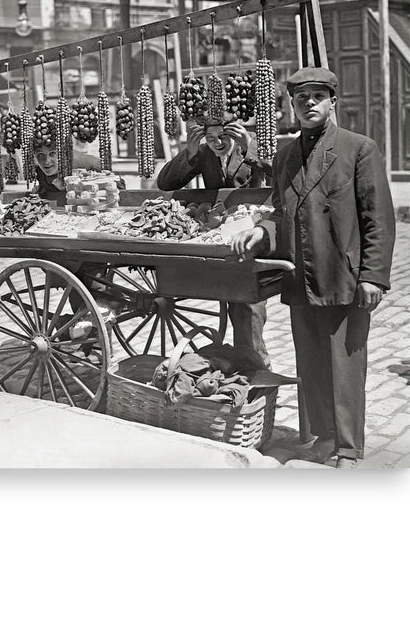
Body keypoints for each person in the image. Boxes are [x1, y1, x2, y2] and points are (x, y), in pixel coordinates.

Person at [232, 67, 395, 468]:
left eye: (317, 96)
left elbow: (379, 218)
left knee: (345, 364)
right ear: (293, 104)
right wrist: (261, 232)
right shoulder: (286, 153)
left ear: (332, 101)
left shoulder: (360, 149)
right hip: (299, 276)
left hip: (344, 276)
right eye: (301, 98)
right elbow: (279, 210)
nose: (309, 104)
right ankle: (323, 438)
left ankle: (349, 449)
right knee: (311, 362)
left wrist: (373, 276)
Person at [156, 113, 273, 369]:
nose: (217, 143)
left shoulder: (251, 145)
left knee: (247, 302)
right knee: (232, 296)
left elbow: (279, 177)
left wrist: (248, 147)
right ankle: (240, 362)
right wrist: (190, 152)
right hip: (218, 234)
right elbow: (165, 183)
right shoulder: (205, 152)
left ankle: (256, 365)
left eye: (223, 137)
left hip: (251, 231)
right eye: (210, 138)